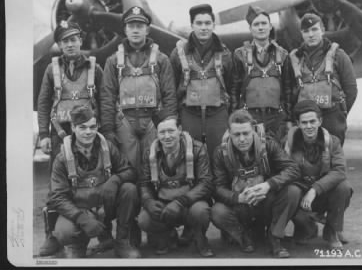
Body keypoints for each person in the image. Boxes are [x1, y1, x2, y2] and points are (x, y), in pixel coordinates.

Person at [37, 21, 103, 256]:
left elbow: (104, 101)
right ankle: (52, 238)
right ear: (59, 44)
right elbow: (44, 102)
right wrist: (44, 134)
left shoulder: (95, 67)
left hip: (90, 135)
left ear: (81, 41)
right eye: (65, 40)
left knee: (97, 179)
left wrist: (108, 134)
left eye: (74, 39)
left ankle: (102, 234)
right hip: (60, 134)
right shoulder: (50, 68)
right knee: (56, 186)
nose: (70, 44)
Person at [47, 105, 142, 258]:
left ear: (97, 125)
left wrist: (116, 180)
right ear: (73, 127)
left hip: (105, 206)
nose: (88, 132)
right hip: (81, 208)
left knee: (129, 190)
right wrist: (82, 218)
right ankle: (77, 245)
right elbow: (57, 197)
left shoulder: (108, 147)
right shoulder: (62, 158)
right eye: (82, 127)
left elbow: (130, 171)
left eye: (92, 127)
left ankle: (122, 242)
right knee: (63, 232)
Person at [211, 109, 301, 258]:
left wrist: (268, 185)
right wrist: (238, 198)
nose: (242, 139)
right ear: (229, 133)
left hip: (265, 202)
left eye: (246, 133)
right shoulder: (221, 152)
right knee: (217, 211)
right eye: (237, 134)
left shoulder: (269, 145)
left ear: (253, 130)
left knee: (293, 191)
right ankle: (243, 236)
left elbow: (293, 168)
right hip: (240, 205)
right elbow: (217, 188)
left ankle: (274, 237)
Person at [100, 5, 177, 169]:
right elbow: (107, 97)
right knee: (127, 169)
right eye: (131, 26)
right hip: (124, 122)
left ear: (147, 30)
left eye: (140, 26)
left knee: (155, 166)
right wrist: (108, 130)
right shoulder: (113, 62)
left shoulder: (162, 60)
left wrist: (169, 124)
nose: (135, 30)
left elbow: (169, 95)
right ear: (125, 30)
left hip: (153, 121)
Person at [138, 117, 214, 257]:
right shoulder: (150, 153)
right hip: (163, 203)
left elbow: (206, 183)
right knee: (144, 219)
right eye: (162, 132)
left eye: (171, 131)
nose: (167, 136)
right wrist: (148, 202)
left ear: (179, 130)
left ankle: (198, 236)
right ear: (157, 134)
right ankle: (167, 235)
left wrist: (180, 202)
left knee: (201, 211)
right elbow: (144, 184)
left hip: (190, 202)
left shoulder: (197, 149)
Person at [284, 100, 352, 250]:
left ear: (320, 121)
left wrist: (314, 189)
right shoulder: (289, 143)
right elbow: (282, 172)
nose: (309, 126)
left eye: (312, 121)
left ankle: (331, 230)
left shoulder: (332, 141)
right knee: (289, 191)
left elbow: (340, 170)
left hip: (321, 194)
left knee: (344, 187)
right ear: (298, 123)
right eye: (304, 122)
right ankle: (305, 227)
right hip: (300, 196)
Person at [169, 3, 233, 161]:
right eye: (199, 23)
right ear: (192, 25)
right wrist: (173, 117)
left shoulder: (224, 53)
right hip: (189, 113)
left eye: (207, 23)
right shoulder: (178, 53)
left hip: (218, 113)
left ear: (213, 25)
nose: (203, 27)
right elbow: (172, 88)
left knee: (220, 154)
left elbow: (231, 85)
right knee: (190, 155)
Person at [289, 13, 357, 144]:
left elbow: (351, 90)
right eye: (306, 31)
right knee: (306, 162)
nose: (311, 34)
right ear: (301, 34)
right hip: (305, 124)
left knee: (333, 160)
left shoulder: (339, 56)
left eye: (314, 29)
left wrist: (340, 114)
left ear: (323, 30)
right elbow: (289, 92)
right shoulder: (294, 59)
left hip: (332, 120)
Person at [232, 6, 294, 141]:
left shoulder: (283, 55)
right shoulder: (239, 55)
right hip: (250, 118)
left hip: (277, 119)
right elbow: (234, 90)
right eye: (256, 24)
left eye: (264, 23)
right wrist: (235, 118)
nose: (260, 27)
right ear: (250, 29)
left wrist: (288, 119)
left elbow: (288, 89)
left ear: (270, 26)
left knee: (277, 156)